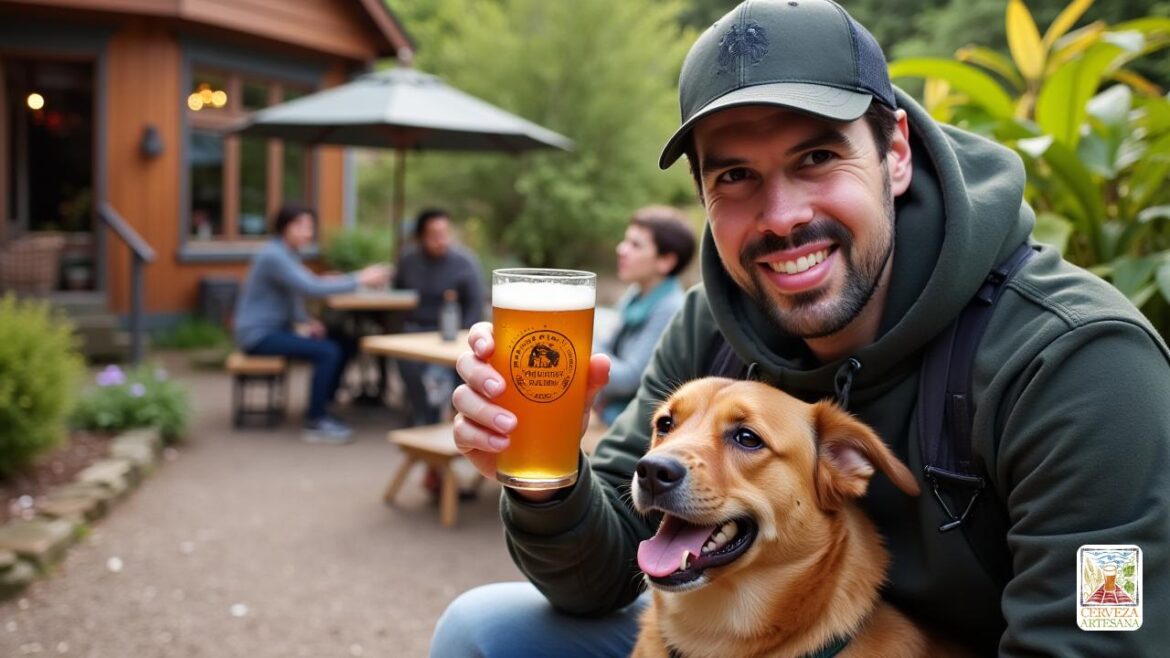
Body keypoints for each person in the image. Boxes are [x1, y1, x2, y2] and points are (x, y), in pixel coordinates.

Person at [434, 1, 1170, 656]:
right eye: (734, 176)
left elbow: (1101, 637)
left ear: (896, 153)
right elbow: (602, 576)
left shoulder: (1079, 365)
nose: (782, 217)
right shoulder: (710, 328)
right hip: (743, 634)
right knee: (486, 630)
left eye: (817, 158)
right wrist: (547, 482)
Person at [234, 204, 390, 444]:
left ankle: (325, 403)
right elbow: (311, 287)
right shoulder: (274, 255)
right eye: (301, 226)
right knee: (328, 351)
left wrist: (306, 320)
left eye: (310, 227)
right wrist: (360, 278)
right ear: (284, 226)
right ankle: (316, 420)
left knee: (344, 342)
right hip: (258, 335)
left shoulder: (286, 253)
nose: (307, 232)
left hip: (275, 330)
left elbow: (292, 294)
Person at [595, 206, 696, 425]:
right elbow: (607, 347)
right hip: (608, 413)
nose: (621, 249)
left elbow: (629, 378)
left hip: (636, 423)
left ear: (666, 261)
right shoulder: (636, 295)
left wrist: (582, 341)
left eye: (635, 245)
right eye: (625, 241)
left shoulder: (671, 308)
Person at [393, 208, 485, 426]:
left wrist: (462, 335)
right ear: (421, 237)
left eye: (444, 234)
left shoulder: (465, 262)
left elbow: (475, 305)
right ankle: (423, 414)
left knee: (442, 370)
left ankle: (436, 415)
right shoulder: (408, 261)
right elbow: (397, 297)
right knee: (405, 360)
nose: (440, 241)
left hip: (451, 331)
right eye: (433, 235)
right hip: (415, 330)